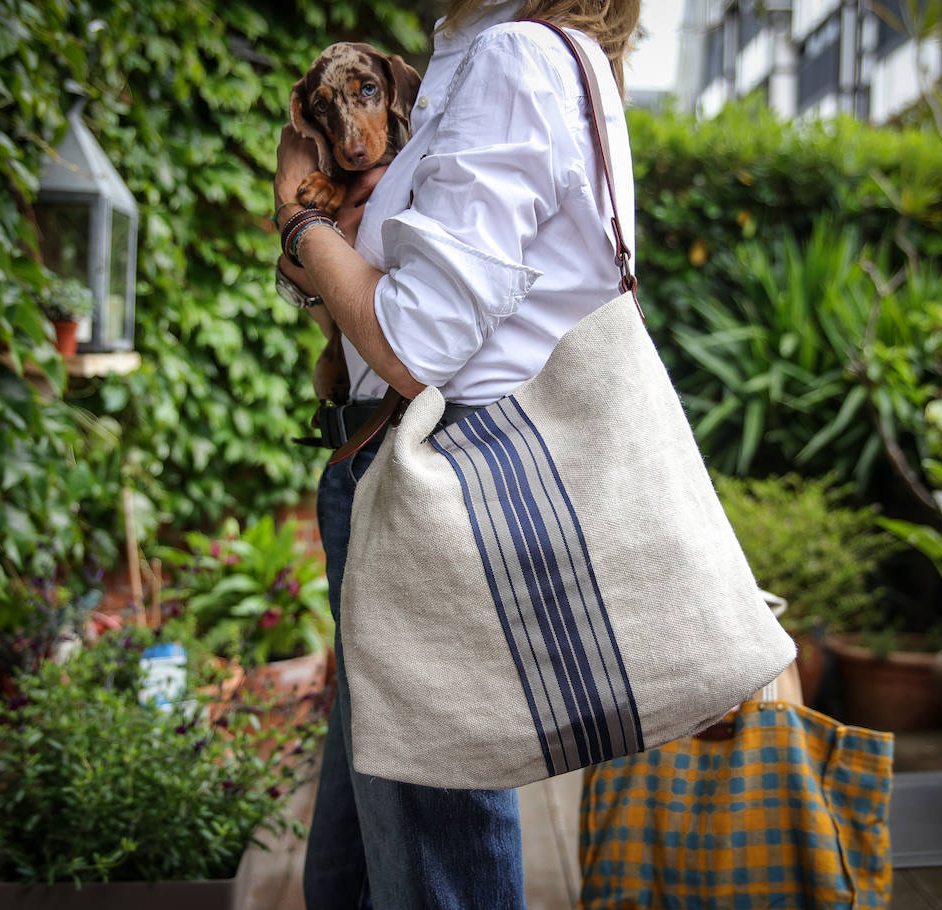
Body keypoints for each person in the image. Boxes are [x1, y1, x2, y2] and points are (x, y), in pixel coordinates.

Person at [271, 1, 639, 906]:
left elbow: (412, 340)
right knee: (363, 861)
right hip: (386, 468)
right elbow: (359, 313)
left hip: (438, 485)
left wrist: (295, 222)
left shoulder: (514, 57)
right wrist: (322, 256)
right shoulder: (452, 64)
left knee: (435, 870)